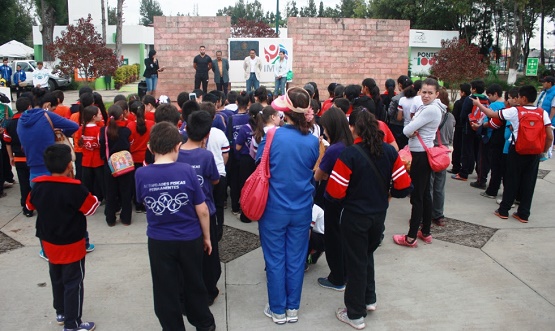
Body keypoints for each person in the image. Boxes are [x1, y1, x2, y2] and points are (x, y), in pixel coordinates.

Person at [326, 109, 412, 330]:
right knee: (366, 256)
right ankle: (369, 299)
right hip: (378, 216)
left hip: (354, 217)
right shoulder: (389, 152)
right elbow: (403, 188)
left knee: (356, 263)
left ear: (353, 128)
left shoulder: (349, 154)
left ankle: (355, 314)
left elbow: (334, 194)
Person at [135, 122, 216, 331]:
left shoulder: (141, 174)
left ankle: (172, 327)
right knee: (194, 282)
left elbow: (143, 201)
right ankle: (204, 323)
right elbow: (203, 209)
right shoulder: (187, 171)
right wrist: (206, 237)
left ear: (151, 148)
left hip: (159, 240)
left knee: (164, 288)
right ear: (177, 146)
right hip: (189, 238)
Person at [259, 87, 319, 324]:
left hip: (274, 207)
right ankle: (292, 309)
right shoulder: (313, 141)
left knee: (275, 259)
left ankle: (277, 309)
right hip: (302, 208)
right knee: (296, 258)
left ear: (287, 110)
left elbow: (259, 164)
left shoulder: (273, 135)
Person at [26, 144, 99, 331]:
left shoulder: (39, 185)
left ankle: (61, 312)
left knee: (56, 278)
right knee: (74, 283)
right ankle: (72, 324)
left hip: (49, 242)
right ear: (69, 166)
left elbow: (29, 206)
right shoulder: (76, 188)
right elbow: (91, 208)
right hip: (72, 244)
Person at [472, 85, 553, 223]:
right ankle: (523, 214)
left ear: (524, 98)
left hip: (517, 150)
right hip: (534, 152)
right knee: (529, 183)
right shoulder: (542, 113)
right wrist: (543, 150)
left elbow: (492, 115)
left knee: (511, 180)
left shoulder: (516, 111)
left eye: (519, 96)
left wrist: (479, 104)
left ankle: (504, 210)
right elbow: (550, 136)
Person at [393, 78, 443, 247]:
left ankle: (411, 237)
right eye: (424, 92)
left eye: (430, 93)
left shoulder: (431, 110)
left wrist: (412, 128)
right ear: (419, 91)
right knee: (424, 195)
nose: (426, 95)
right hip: (422, 154)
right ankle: (425, 232)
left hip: (421, 156)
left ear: (437, 94)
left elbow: (406, 129)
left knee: (417, 197)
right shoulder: (429, 107)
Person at [178, 111, 221, 306]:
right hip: (205, 212)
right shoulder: (205, 156)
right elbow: (215, 179)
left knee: (187, 256)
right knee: (208, 254)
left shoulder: (176, 153)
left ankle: (187, 291)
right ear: (206, 136)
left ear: (186, 129)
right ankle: (209, 291)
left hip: (183, 212)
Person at [314, 107, 354, 291]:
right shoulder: (351, 144)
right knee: (345, 238)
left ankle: (337, 278)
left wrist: (324, 175)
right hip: (350, 200)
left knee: (333, 238)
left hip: (332, 198)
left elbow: (317, 175)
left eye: (325, 128)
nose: (324, 131)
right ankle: (346, 274)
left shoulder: (334, 149)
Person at [99, 105, 133, 227]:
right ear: (122, 115)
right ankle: (126, 218)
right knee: (125, 192)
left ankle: (110, 219)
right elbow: (130, 144)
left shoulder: (103, 130)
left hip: (109, 165)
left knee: (110, 193)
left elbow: (102, 147)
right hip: (124, 165)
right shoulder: (126, 131)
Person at [452, 80, 489, 181]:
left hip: (469, 128)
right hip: (480, 128)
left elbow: (463, 115)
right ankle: (479, 172)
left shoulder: (470, 99)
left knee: (466, 151)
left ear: (474, 89)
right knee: (477, 151)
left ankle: (464, 173)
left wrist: (464, 123)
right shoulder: (486, 99)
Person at [3, 97, 33, 215]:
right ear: (29, 107)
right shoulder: (31, 121)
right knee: (35, 182)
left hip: (19, 158)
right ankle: (35, 203)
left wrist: (11, 157)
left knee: (24, 183)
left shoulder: (10, 123)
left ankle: (26, 207)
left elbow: (7, 142)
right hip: (33, 157)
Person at [430, 88, 455, 227]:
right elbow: (451, 137)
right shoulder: (450, 117)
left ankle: (425, 214)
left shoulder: (431, 113)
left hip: (431, 151)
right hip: (443, 153)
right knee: (440, 186)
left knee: (428, 185)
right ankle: (438, 215)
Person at [74, 106, 105, 204]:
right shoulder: (99, 130)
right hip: (98, 160)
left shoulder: (80, 129)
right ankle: (101, 198)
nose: (101, 116)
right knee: (101, 182)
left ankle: (88, 201)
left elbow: (79, 144)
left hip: (86, 160)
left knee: (87, 183)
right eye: (99, 114)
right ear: (94, 117)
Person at [448, 83, 471, 174]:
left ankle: (456, 167)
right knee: (467, 148)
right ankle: (468, 167)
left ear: (463, 92)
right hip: (468, 127)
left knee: (457, 147)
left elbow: (454, 116)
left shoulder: (458, 103)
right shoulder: (471, 102)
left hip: (459, 127)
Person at [387, 75, 413, 149]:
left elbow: (390, 113)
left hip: (395, 127)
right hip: (410, 126)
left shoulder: (396, 99)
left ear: (400, 85)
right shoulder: (415, 98)